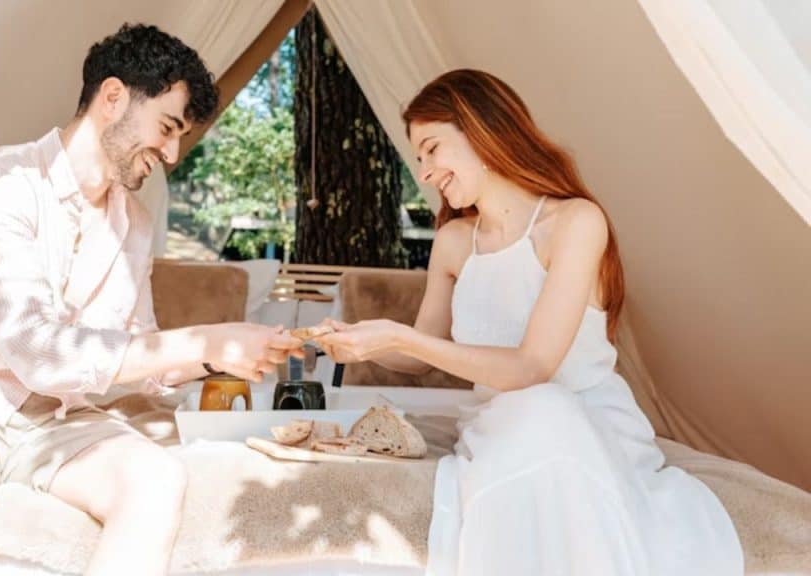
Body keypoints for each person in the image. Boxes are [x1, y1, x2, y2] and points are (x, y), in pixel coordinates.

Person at [0, 23, 301, 576]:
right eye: (166, 128)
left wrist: (217, 356)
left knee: (157, 479)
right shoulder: (2, 183)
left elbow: (138, 354)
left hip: (60, 422)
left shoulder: (134, 223)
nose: (171, 154)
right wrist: (204, 338)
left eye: (180, 138)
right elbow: (39, 352)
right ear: (113, 98)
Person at [315, 69, 742, 575]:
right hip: (499, 427)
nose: (424, 172)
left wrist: (398, 334)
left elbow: (533, 366)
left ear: (480, 131)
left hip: (591, 425)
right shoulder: (455, 243)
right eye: (418, 157)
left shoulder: (576, 223)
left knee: (546, 409)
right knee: (535, 415)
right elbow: (418, 354)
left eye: (432, 148)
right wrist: (359, 343)